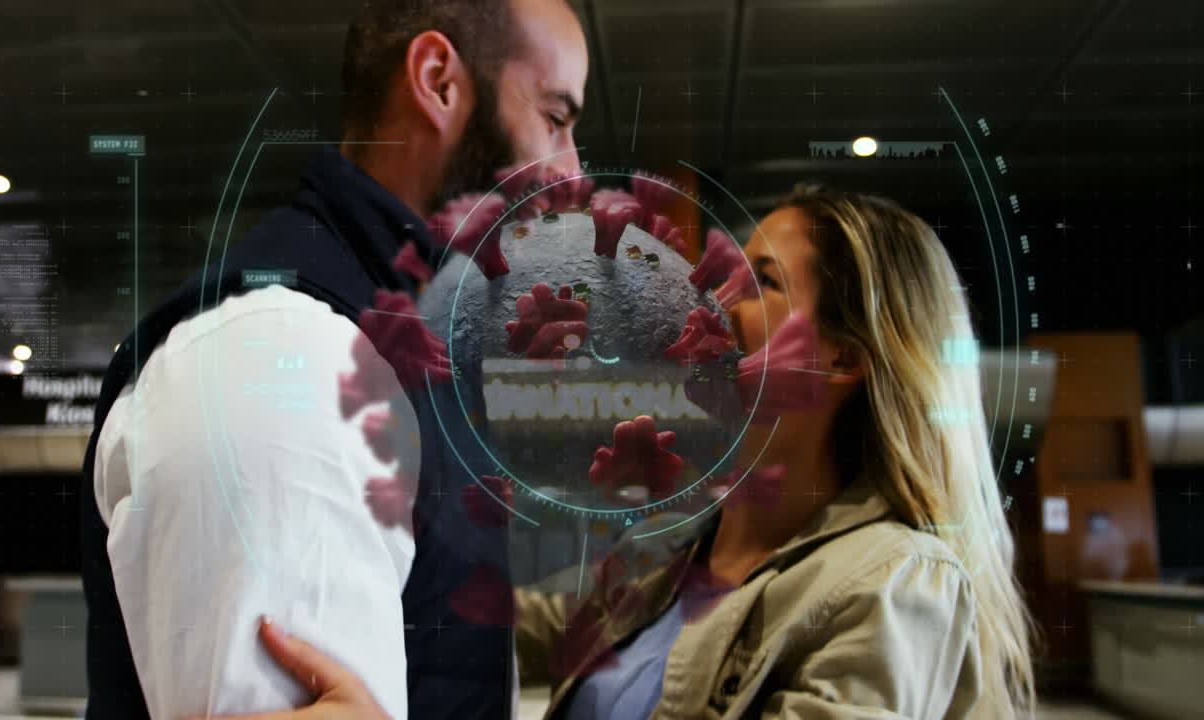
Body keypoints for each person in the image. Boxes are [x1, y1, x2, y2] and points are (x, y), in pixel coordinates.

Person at [222, 184, 1038, 719]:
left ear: (843, 358)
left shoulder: (898, 584)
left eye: (761, 283)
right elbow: (490, 623)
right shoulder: (673, 553)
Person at [78, 0, 588, 718]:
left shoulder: (399, 345)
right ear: (439, 80)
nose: (572, 174)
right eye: (556, 119)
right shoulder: (285, 357)